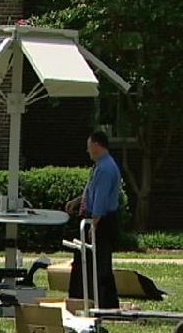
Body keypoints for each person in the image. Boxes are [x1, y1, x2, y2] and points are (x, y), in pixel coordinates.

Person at [65, 130, 121, 308]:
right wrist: (77, 201)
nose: (87, 150)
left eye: (89, 147)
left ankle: (102, 302)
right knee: (85, 263)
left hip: (101, 221)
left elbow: (101, 199)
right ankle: (83, 299)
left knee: (98, 265)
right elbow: (92, 191)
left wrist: (93, 223)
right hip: (95, 218)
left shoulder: (105, 169)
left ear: (97, 145)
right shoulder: (100, 166)